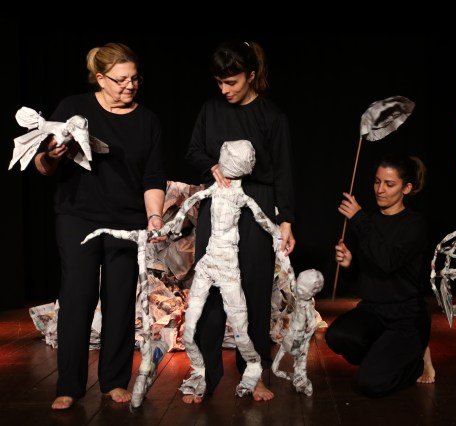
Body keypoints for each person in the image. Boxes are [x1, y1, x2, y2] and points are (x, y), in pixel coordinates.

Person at [33, 42, 167, 410]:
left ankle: (114, 381)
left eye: (135, 78)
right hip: (78, 216)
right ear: (100, 78)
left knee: (120, 300)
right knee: (77, 297)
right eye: (121, 80)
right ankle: (69, 385)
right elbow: (42, 165)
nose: (130, 85)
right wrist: (51, 155)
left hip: (127, 220)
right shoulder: (73, 108)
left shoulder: (148, 120)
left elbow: (153, 175)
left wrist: (154, 215)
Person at [184, 40, 296, 403]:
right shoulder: (211, 109)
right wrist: (211, 165)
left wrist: (286, 221)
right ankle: (205, 374)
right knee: (212, 292)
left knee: (255, 291)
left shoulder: (272, 116)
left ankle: (254, 372)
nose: (224, 89)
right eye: (219, 82)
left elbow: (283, 172)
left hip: (256, 204)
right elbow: (193, 151)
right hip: (218, 202)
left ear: (251, 75)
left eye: (231, 82)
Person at [325, 155, 431, 398]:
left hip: (405, 318)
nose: (380, 190)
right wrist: (349, 263)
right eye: (377, 181)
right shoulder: (369, 221)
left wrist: (359, 219)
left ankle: (415, 363)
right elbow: (363, 276)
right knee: (337, 336)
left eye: (389, 184)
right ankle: (383, 356)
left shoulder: (415, 224)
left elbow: (387, 262)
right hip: (373, 311)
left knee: (370, 383)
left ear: (406, 188)